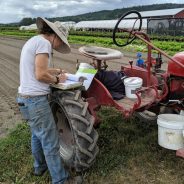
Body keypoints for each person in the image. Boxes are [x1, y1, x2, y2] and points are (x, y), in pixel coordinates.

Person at [17, 17, 82, 184]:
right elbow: (40, 74)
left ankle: (40, 167)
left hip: (24, 99)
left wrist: (58, 71)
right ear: (55, 35)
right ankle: (61, 180)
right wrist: (56, 80)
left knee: (37, 135)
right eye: (61, 40)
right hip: (36, 101)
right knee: (51, 141)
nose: (59, 44)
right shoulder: (44, 44)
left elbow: (38, 69)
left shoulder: (34, 41)